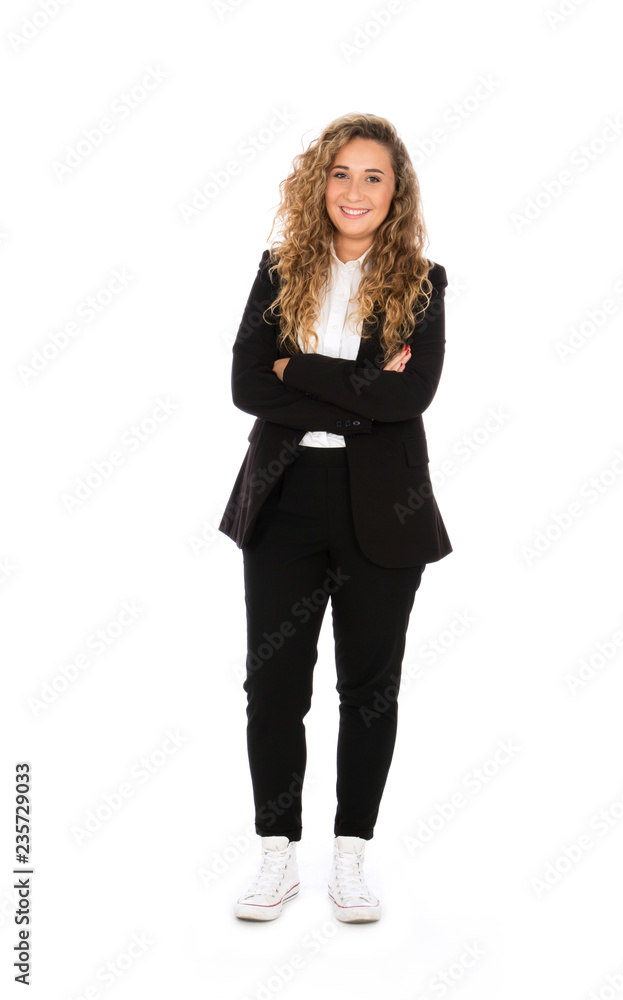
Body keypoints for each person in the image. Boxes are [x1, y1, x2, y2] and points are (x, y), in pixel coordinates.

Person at [218, 112, 452, 923]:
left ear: (397, 191)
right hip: (284, 500)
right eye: (341, 173)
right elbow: (249, 386)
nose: (354, 190)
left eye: (373, 176)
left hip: (381, 509)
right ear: (319, 181)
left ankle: (350, 859)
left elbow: (409, 397)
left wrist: (299, 367)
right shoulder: (280, 270)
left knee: (369, 690)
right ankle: (276, 856)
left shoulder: (422, 281)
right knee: (273, 687)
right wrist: (358, 394)